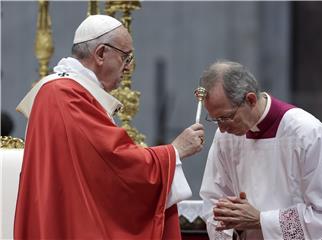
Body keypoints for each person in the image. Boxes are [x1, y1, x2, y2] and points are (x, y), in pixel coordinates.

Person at [15, 15, 205, 239]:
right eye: (126, 57)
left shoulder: (62, 91)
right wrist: (173, 152)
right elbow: (114, 163)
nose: (128, 68)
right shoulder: (66, 95)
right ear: (101, 54)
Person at [199, 60, 322, 239]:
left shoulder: (307, 134)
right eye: (215, 120)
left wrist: (262, 220)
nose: (221, 128)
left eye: (226, 118)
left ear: (250, 99)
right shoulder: (225, 138)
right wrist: (232, 225)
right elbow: (213, 200)